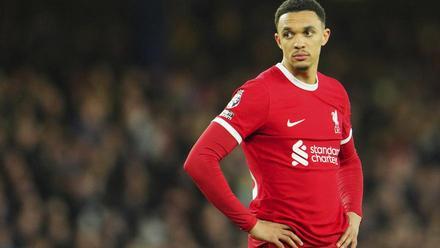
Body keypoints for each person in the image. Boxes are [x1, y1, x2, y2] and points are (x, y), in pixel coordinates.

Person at [184, 0, 363, 247]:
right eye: (289, 34)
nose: (298, 42)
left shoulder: (336, 93)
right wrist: (252, 224)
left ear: (324, 36)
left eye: (308, 32)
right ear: (279, 40)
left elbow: (349, 159)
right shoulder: (260, 92)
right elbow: (199, 160)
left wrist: (354, 213)